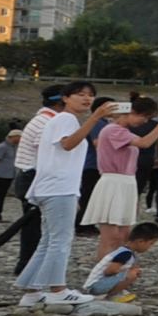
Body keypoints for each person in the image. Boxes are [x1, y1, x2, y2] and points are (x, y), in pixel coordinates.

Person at [16, 83, 109, 293]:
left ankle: (30, 289)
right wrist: (94, 118)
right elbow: (67, 144)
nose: (87, 98)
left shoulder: (62, 119)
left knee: (49, 240)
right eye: (80, 94)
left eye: (91, 95)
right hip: (58, 187)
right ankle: (57, 290)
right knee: (60, 241)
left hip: (55, 187)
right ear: (65, 98)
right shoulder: (66, 118)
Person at [85, 98, 158, 264]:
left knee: (124, 236)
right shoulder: (113, 130)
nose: (145, 121)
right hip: (113, 182)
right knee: (111, 238)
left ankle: (118, 273)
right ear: (133, 113)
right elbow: (145, 143)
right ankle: (102, 276)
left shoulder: (124, 132)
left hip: (126, 182)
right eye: (145, 117)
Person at [0, 88, 67, 263]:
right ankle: (29, 264)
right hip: (36, 177)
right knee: (35, 226)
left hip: (32, 176)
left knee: (36, 225)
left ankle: (31, 263)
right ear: (63, 100)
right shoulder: (46, 122)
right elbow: (46, 153)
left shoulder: (44, 119)